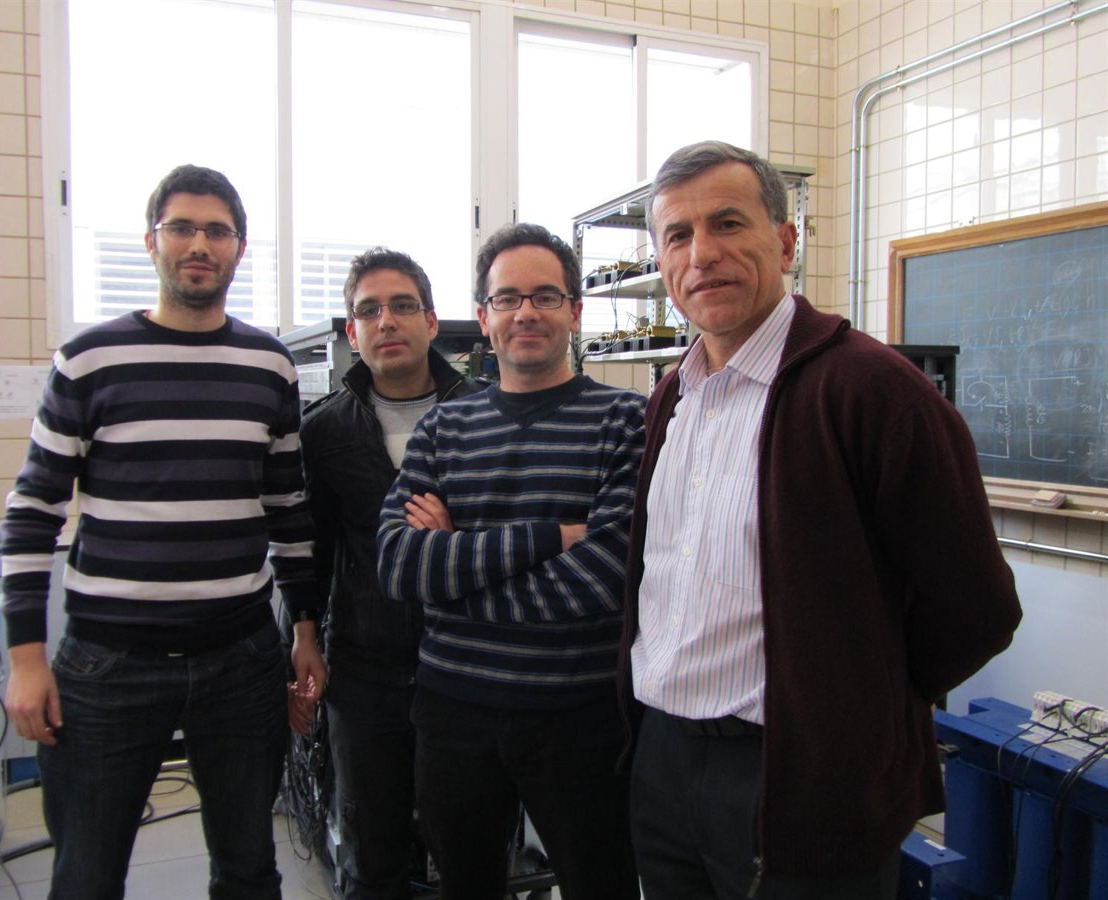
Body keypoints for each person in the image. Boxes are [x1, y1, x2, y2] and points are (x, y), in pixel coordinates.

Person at [619, 140, 1023, 899]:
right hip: (664, 760)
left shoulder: (872, 391)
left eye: (727, 223)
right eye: (677, 235)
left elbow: (977, 609)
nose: (702, 254)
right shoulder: (673, 397)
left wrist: (857, 706)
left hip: (802, 775)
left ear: (785, 241)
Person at [1, 164, 327, 900]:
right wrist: (24, 658)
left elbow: (287, 509)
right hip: (108, 665)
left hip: (241, 660)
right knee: (86, 876)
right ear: (152, 241)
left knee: (248, 869)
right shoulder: (90, 360)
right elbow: (33, 509)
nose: (199, 244)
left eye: (217, 230)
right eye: (182, 227)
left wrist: (305, 629)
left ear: (239, 248)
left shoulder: (268, 366)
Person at [376, 223, 644, 900]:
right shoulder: (444, 427)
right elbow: (400, 565)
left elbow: (603, 578)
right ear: (484, 318)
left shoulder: (627, 421)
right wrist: (551, 537)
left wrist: (454, 569)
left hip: (581, 718)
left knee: (602, 886)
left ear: (574, 313)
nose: (526, 312)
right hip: (453, 715)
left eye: (546, 296)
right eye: (508, 299)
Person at [298, 247, 483, 899]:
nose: (387, 321)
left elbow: (518, 539)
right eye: (369, 310)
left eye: (403, 305)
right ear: (352, 332)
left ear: (431, 321)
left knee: (470, 851)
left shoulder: (488, 417)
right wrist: (304, 637)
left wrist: (457, 541)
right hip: (366, 674)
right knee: (372, 854)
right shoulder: (324, 431)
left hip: (467, 669)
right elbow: (314, 551)